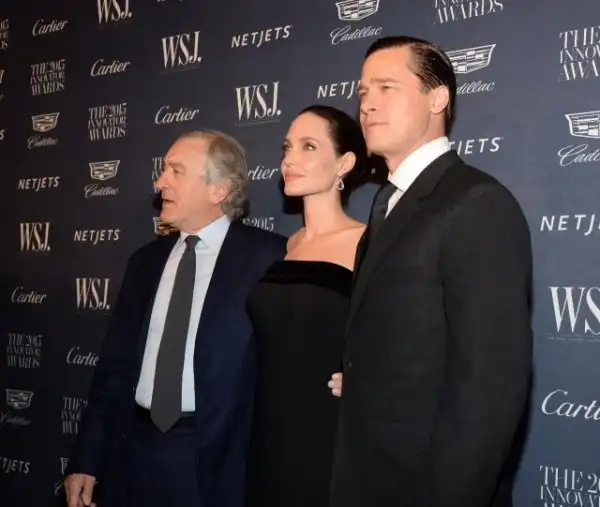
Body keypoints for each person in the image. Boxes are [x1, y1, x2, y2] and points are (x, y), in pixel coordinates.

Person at [329, 36, 533, 507]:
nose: (367, 104)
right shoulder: (386, 202)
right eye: (363, 92)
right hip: (369, 475)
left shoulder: (477, 203)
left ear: (437, 98)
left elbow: (489, 388)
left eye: (386, 88)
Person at [64, 130, 287, 507]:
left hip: (216, 466)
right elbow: (113, 370)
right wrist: (87, 458)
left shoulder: (269, 260)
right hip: (133, 454)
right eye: (163, 169)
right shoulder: (145, 263)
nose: (159, 182)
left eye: (176, 171)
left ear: (218, 189)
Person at [245, 104, 368, 507]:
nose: (289, 159)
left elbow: (402, 332)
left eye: (308, 147)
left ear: (344, 163)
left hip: (328, 430)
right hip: (269, 427)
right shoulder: (287, 246)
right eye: (287, 147)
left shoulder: (368, 243)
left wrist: (369, 378)